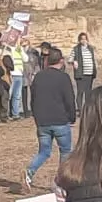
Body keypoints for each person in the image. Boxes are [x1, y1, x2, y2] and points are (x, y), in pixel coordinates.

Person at [23, 48, 77, 193]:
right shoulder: (63, 77)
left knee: (44, 152)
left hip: (43, 122)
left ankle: (29, 172)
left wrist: (36, 117)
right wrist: (72, 117)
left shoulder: (38, 77)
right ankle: (60, 182)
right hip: (60, 120)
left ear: (47, 61)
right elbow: (70, 100)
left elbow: (33, 100)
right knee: (65, 151)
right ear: (61, 61)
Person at [71, 33, 98, 107]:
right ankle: (80, 109)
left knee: (88, 92)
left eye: (85, 39)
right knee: (80, 92)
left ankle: (87, 109)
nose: (83, 40)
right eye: (82, 39)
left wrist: (95, 67)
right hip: (80, 74)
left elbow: (94, 59)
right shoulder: (76, 49)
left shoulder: (90, 48)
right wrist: (74, 62)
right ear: (79, 40)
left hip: (89, 73)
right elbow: (70, 59)